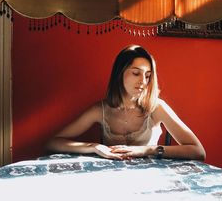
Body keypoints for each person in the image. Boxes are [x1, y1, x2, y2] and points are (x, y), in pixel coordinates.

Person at [46, 45, 206, 161]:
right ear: (120, 73)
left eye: (148, 75)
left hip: (152, 179)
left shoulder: (157, 107)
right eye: (136, 73)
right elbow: (53, 142)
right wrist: (94, 147)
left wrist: (146, 150)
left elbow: (198, 151)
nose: (143, 81)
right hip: (113, 179)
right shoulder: (100, 110)